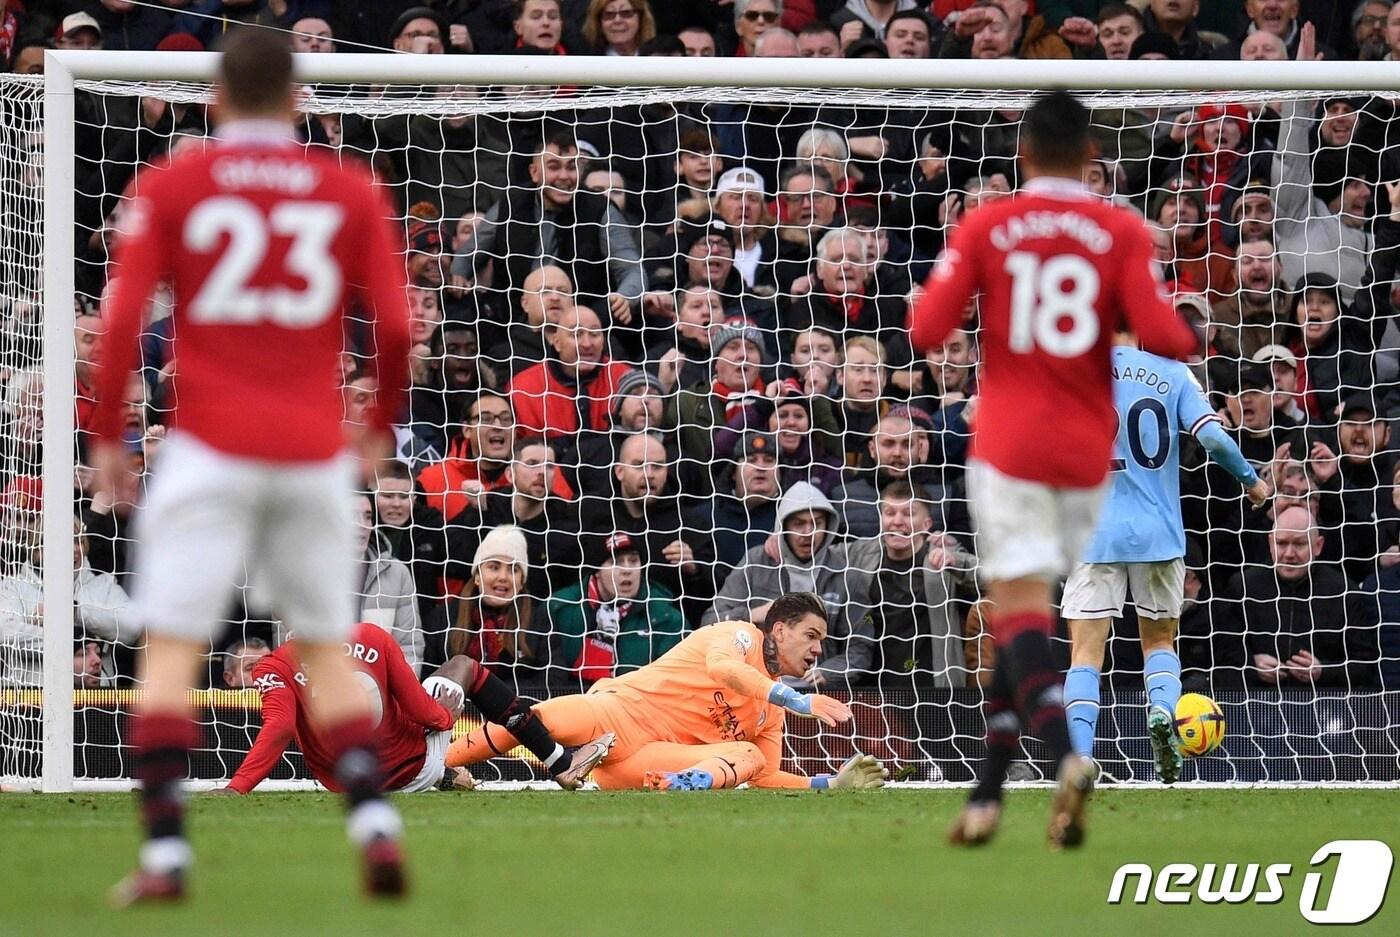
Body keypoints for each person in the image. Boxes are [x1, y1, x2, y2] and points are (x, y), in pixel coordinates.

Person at [88, 32, 414, 900]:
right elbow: (392, 328)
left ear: (215, 101)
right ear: (298, 100)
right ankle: (375, 825)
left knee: (172, 646)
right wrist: (376, 423)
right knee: (325, 646)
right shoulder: (348, 187)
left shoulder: (175, 182)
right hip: (311, 452)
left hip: (207, 447)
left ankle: (164, 856)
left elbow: (121, 322)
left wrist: (109, 438)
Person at [910, 90, 1198, 848]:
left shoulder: (990, 223)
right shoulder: (1119, 230)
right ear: (1091, 156)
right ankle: (987, 798)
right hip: (1086, 456)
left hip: (1010, 445)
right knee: (1026, 614)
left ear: (1023, 154)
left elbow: (926, 327)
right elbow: (1172, 335)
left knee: (1020, 618)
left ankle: (1069, 757)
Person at [1060, 340, 1270, 785]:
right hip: (1158, 534)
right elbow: (1212, 437)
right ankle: (1163, 718)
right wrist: (1252, 482)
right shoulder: (1172, 373)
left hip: (1093, 532)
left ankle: (1078, 757)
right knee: (1158, 642)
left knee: (1086, 652)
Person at [445, 591, 888, 790]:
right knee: (545, 720)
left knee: (750, 757)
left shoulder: (768, 712)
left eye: (821, 642)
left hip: (646, 763)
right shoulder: (738, 636)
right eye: (811, 636)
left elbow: (766, 775)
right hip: (619, 714)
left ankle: (680, 786)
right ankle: (437, 765)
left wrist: (826, 783)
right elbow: (723, 670)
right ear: (778, 630)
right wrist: (796, 699)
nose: (817, 649)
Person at [220, 621, 612, 795]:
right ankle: (561, 763)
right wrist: (445, 716)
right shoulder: (370, 637)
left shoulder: (273, 665)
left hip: (347, 784)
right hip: (411, 767)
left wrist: (237, 788)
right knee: (462, 666)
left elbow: (280, 727)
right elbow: (427, 714)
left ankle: (446, 774)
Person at [537, 532, 686, 690]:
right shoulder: (559, 609)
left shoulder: (666, 617)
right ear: (597, 571)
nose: (626, 570)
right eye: (616, 561)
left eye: (634, 561)